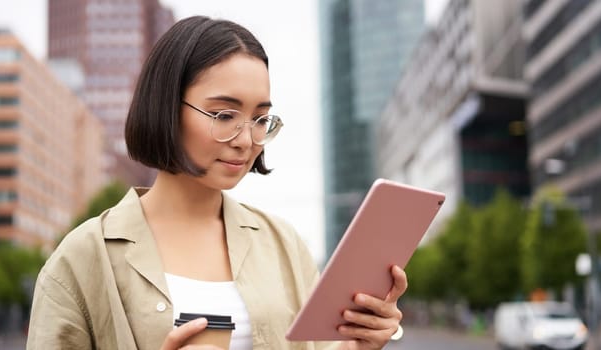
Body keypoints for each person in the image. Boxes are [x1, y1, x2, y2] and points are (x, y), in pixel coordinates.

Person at [26, 16, 407, 350]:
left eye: (260, 119)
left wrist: (356, 345)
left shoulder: (284, 245)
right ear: (166, 108)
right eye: (224, 114)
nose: (246, 140)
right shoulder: (82, 258)